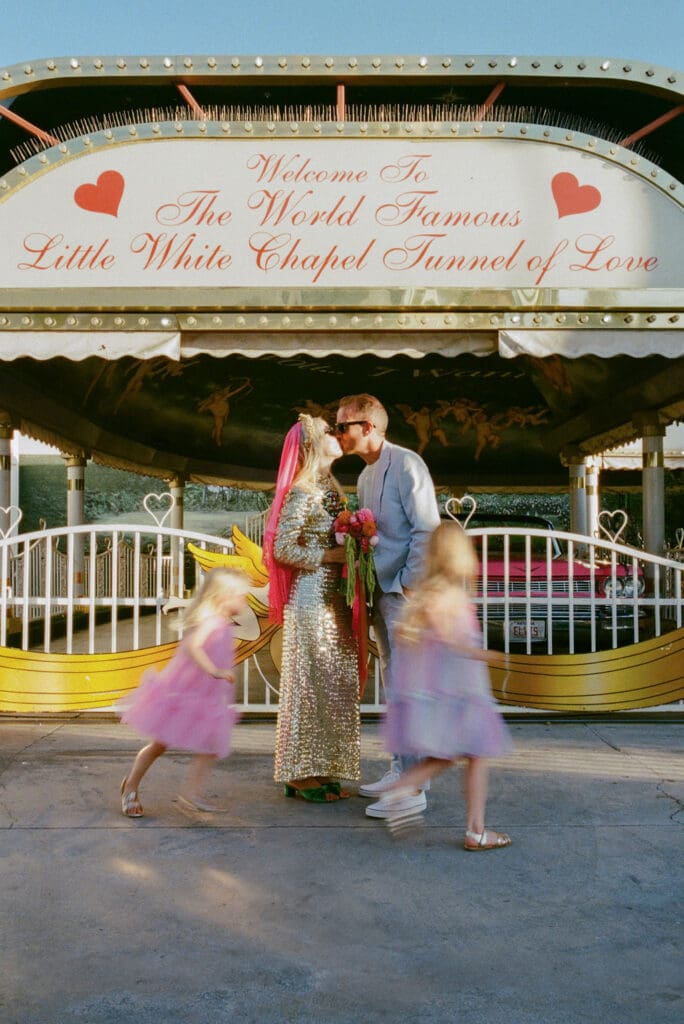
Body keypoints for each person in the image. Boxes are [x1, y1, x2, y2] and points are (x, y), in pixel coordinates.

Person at [335, 393, 441, 819]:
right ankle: (402, 769)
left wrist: (410, 588)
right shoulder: (364, 475)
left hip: (403, 594)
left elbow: (427, 529)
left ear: (370, 427)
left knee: (408, 687)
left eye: (344, 425)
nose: (338, 433)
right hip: (377, 591)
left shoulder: (407, 464)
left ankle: (412, 789)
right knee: (394, 682)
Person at [381, 521, 513, 849]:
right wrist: (482, 652)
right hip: (460, 696)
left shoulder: (428, 591)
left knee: (447, 757)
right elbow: (450, 639)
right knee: (476, 754)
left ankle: (402, 789)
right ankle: (475, 830)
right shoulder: (448, 594)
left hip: (446, 695)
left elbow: (409, 636)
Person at [263, 412, 360, 802]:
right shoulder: (303, 490)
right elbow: (281, 548)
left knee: (332, 685)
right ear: (310, 445)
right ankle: (299, 773)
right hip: (311, 599)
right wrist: (330, 556)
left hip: (335, 599)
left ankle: (321, 767)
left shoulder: (330, 487)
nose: (336, 434)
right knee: (309, 685)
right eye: (327, 431)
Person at [119, 566, 250, 817]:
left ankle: (191, 794)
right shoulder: (211, 622)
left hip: (207, 698)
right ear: (223, 596)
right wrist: (214, 670)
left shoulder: (222, 623)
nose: (244, 600)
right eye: (240, 595)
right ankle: (131, 785)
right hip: (185, 695)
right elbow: (195, 647)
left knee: (210, 746)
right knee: (160, 743)